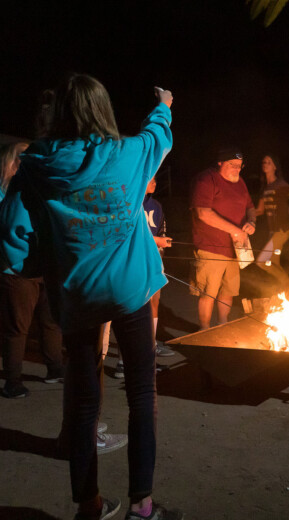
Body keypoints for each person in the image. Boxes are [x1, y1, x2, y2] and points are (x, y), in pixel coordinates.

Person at [0, 74, 181, 519]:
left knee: (82, 405)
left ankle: (89, 506)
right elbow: (158, 134)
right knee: (142, 396)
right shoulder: (129, 155)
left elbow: (13, 236)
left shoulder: (38, 167)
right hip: (131, 292)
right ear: (103, 110)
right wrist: (164, 103)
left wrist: (40, 266)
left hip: (77, 296)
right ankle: (143, 506)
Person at [0, 141, 64, 398]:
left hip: (42, 267)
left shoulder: (33, 189)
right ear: (12, 162)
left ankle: (55, 368)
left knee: (50, 321)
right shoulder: (14, 192)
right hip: (18, 270)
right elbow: (13, 232)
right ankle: (12, 381)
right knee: (17, 327)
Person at [112, 174, 174, 379]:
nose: (155, 182)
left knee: (154, 301)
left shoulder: (155, 205)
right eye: (151, 178)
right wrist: (155, 240)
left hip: (152, 260)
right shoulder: (129, 203)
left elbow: (161, 229)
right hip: (132, 262)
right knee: (132, 307)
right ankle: (123, 362)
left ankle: (148, 354)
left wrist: (161, 248)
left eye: (157, 178)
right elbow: (127, 231)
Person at [191, 148, 256, 330]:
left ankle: (222, 327)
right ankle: (204, 330)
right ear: (220, 163)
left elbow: (251, 207)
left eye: (240, 166)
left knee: (228, 291)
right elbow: (203, 213)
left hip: (235, 249)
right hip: (211, 246)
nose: (237, 169)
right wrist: (235, 230)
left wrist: (251, 222)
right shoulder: (207, 179)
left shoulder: (240, 182)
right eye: (232, 165)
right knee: (208, 292)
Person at [254, 154, 289, 285]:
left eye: (268, 162)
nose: (265, 164)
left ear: (275, 166)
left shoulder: (280, 184)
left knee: (262, 261)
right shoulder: (265, 188)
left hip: (282, 230)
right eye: (264, 162)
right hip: (273, 232)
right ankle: (288, 291)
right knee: (273, 263)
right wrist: (243, 215)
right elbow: (259, 210)